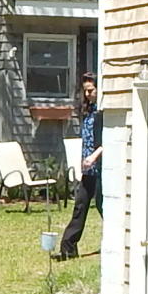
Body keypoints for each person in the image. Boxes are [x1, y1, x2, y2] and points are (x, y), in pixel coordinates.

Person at [56, 73, 102, 258]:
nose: (88, 94)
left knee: (103, 205)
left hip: (102, 168)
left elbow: (110, 140)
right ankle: (68, 249)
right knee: (80, 205)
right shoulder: (89, 111)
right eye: (86, 91)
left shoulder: (103, 111)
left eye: (91, 90)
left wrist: (94, 157)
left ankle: (119, 240)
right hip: (89, 169)